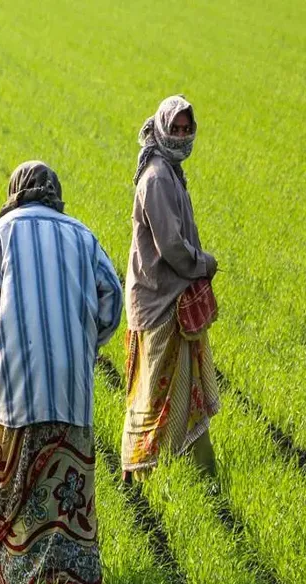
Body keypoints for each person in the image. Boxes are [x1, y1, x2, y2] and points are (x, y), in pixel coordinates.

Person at [0, 161, 122, 584]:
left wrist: (1, 348)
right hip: (70, 389)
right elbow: (112, 300)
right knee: (67, 494)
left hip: (17, 388)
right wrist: (82, 343)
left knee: (15, 490)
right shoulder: (83, 234)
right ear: (54, 193)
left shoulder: (4, 232)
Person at [121, 95, 220, 482]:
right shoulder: (159, 178)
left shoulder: (170, 170)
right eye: (174, 128)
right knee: (154, 395)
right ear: (162, 128)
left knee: (184, 389)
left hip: (170, 300)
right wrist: (204, 264)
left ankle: (203, 474)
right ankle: (135, 470)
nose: (181, 136)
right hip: (159, 303)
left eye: (186, 128)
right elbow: (173, 249)